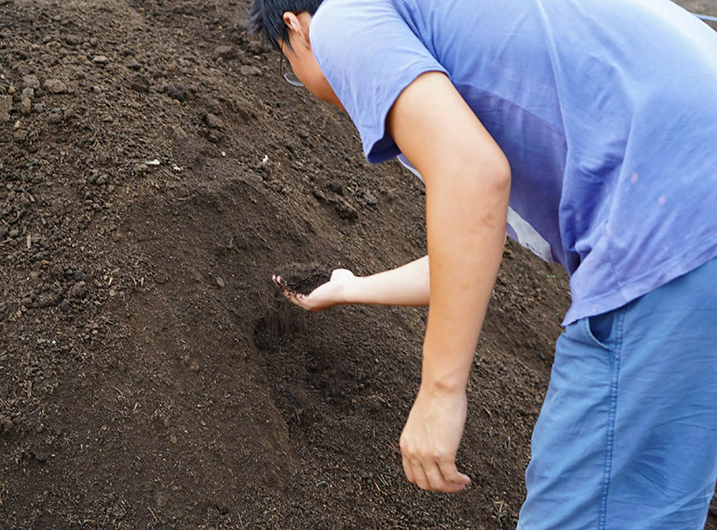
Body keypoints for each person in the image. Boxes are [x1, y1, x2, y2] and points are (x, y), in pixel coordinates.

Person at [245, 0, 717, 527]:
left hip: (674, 220)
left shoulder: (342, 18)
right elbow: (466, 250)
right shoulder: (479, 24)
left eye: (292, 70)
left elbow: (471, 175)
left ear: (296, 28)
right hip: (696, 226)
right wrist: (350, 287)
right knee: (651, 503)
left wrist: (439, 394)